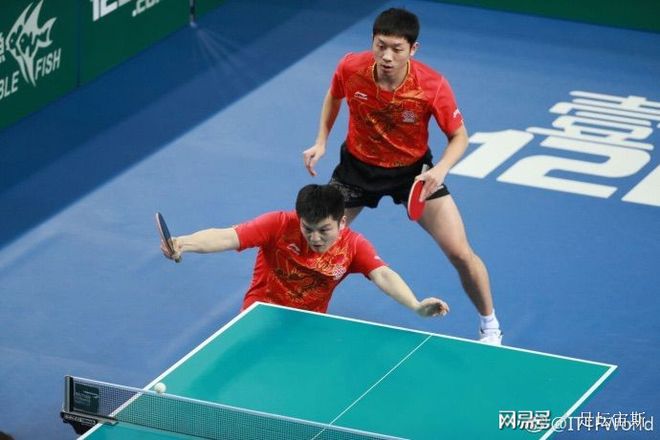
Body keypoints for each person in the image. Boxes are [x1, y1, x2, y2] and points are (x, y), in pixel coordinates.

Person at [302, 8, 502, 344]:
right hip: (356, 169)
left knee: (460, 252)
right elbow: (334, 96)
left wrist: (440, 169)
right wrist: (321, 140)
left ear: (413, 49)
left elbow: (460, 136)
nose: (387, 56)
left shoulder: (431, 85)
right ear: (372, 41)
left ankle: (490, 325)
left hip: (413, 175)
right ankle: (301, 311)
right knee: (317, 241)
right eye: (381, 46)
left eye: (397, 49)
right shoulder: (351, 67)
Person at [161, 184, 449, 319]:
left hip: (308, 324)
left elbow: (383, 275)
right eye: (307, 228)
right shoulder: (277, 224)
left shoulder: (353, 245)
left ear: (342, 222)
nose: (314, 238)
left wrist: (415, 305)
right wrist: (183, 242)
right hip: (260, 316)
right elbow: (228, 236)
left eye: (324, 230)